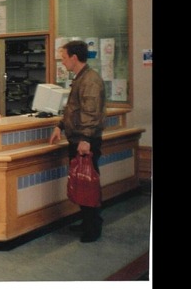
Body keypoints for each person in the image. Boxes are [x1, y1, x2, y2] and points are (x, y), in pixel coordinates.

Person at [49, 40, 106, 243]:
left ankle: (92, 228)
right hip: (80, 139)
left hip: (85, 141)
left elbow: (90, 112)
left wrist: (85, 139)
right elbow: (72, 110)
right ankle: (87, 221)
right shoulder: (81, 78)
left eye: (64, 58)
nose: (62, 62)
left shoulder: (90, 81)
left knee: (87, 183)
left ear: (74, 57)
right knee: (82, 182)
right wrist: (60, 126)